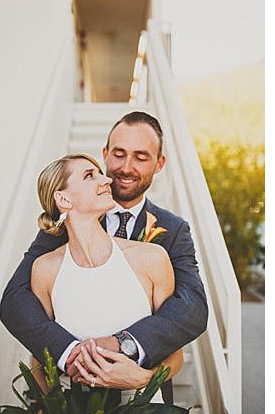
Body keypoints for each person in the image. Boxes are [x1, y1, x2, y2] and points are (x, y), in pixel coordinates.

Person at [0, 111, 208, 403]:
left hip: (142, 402)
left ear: (159, 164)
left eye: (141, 157)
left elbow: (192, 309)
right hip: (73, 404)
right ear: (105, 153)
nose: (125, 167)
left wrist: (124, 346)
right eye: (119, 154)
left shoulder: (171, 232)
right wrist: (69, 352)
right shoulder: (60, 231)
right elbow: (16, 300)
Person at [29, 153, 183, 400]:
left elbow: (176, 355)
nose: (107, 180)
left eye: (101, 173)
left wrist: (144, 379)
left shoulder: (152, 258)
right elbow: (39, 357)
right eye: (90, 175)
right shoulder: (44, 270)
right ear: (63, 198)